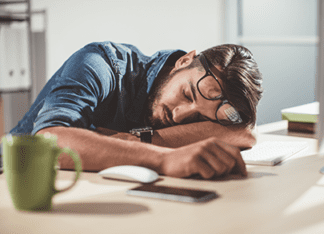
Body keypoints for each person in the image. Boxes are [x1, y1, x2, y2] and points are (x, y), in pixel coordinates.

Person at [10, 41, 263, 179]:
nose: (180, 116)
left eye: (198, 118)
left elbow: (243, 131)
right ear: (184, 61)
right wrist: (164, 158)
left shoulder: (186, 101)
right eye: (187, 94)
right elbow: (49, 141)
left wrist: (139, 139)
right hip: (13, 180)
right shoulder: (101, 64)